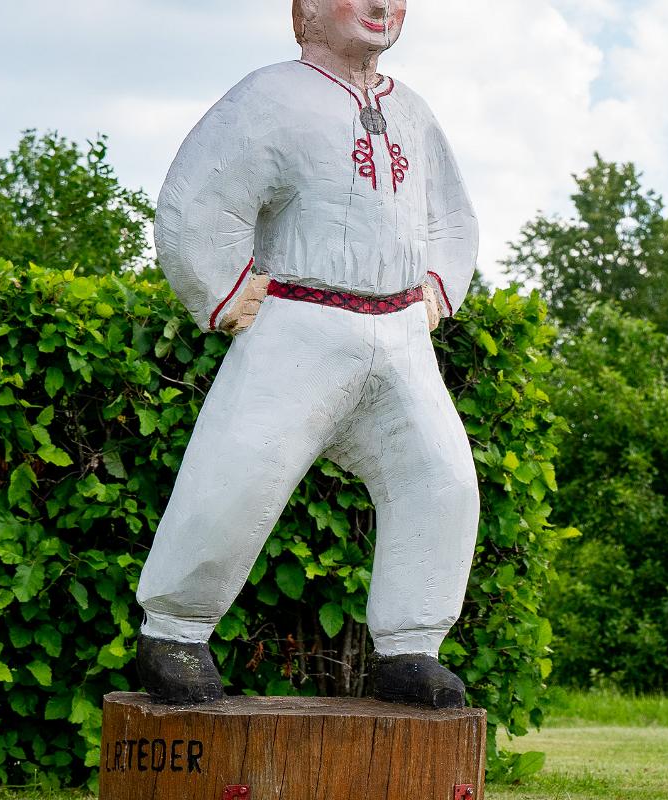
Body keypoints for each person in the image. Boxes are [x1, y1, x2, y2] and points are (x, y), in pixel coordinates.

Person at [133, 0, 481, 709]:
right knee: (237, 473)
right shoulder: (268, 98)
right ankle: (175, 630)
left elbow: (451, 212)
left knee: (440, 482)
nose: (382, 6)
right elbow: (199, 197)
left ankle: (411, 647)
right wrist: (224, 288)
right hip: (297, 323)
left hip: (400, 334)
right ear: (308, 10)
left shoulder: (413, 111)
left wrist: (440, 285)